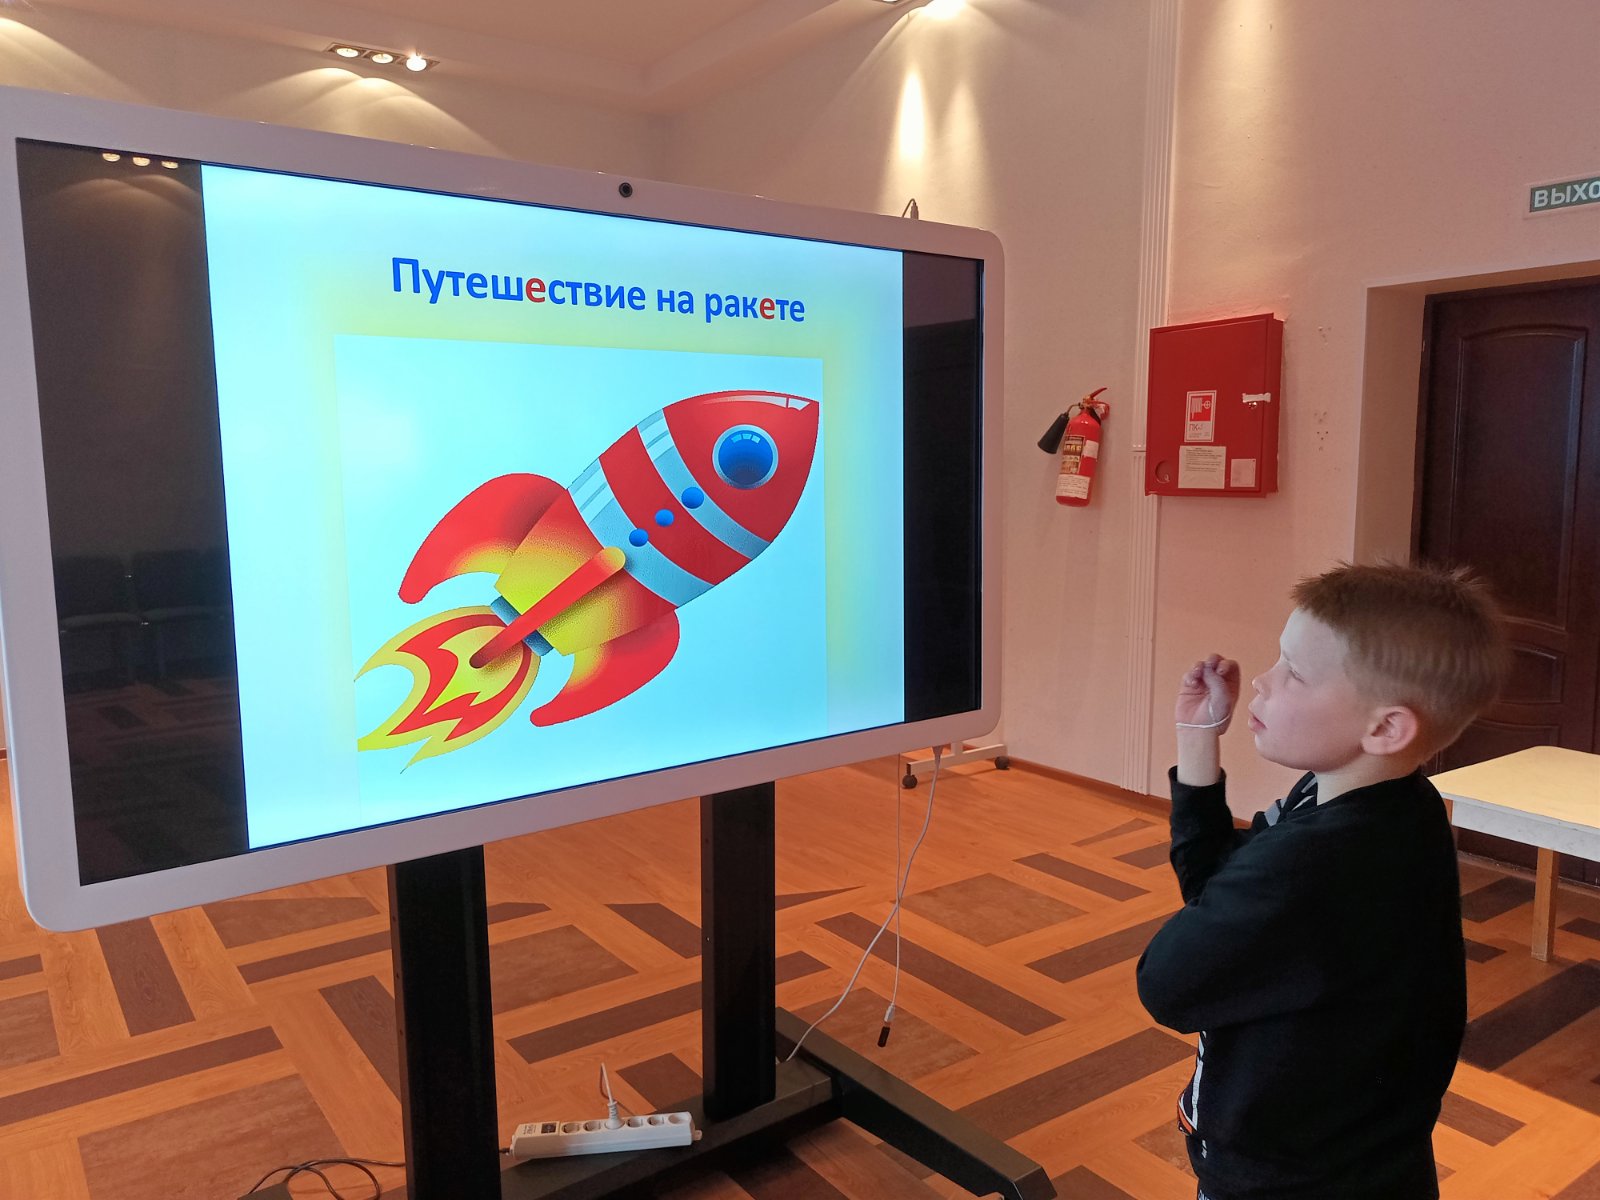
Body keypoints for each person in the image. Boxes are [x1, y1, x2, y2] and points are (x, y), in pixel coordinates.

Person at [1135, 562, 1509, 1200]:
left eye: (1294, 673)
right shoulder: (1395, 804)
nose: (1263, 680)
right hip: (1369, 1161)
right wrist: (1197, 739)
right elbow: (1218, 889)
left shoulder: (1313, 865)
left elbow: (1166, 985)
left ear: (1385, 728)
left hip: (1286, 1179)